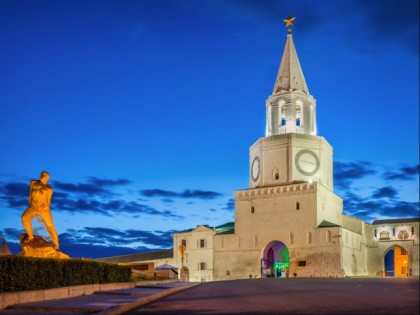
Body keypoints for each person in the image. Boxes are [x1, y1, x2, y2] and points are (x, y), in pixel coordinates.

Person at [21, 171, 59, 250]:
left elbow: (48, 200)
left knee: (50, 227)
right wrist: (30, 204)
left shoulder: (49, 189)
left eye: (44, 176)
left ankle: (56, 245)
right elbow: (30, 194)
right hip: (33, 206)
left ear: (47, 178)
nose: (42, 176)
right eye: (42, 175)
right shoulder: (33, 183)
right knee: (24, 218)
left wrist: (45, 208)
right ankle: (30, 236)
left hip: (43, 209)